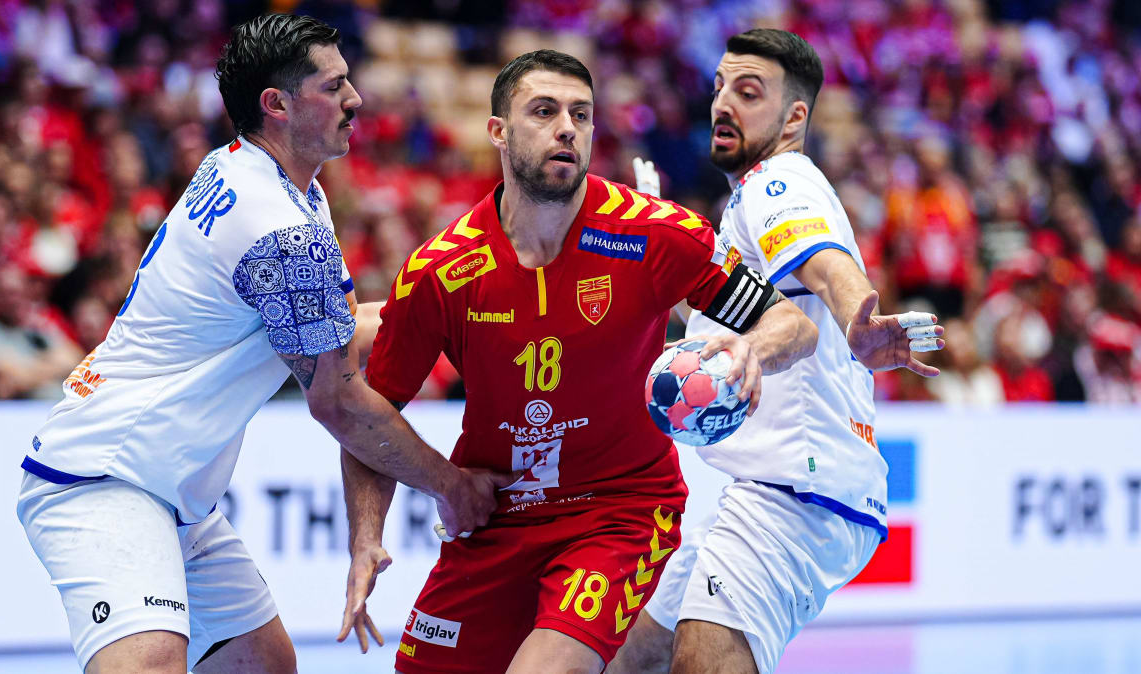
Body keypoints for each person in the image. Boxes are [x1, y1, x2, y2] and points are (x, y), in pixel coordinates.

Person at [16, 14, 506, 674]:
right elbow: (339, 401)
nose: (355, 98)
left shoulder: (259, 176)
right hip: (107, 476)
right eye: (333, 86)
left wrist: (470, 311)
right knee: (150, 662)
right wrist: (450, 485)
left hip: (172, 493)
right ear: (276, 104)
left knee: (264, 664)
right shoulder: (279, 229)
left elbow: (335, 326)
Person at [342, 49, 821, 674]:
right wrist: (365, 537)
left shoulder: (655, 234)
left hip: (621, 510)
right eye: (544, 111)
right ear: (498, 131)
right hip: (498, 518)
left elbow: (793, 324)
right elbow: (370, 415)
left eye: (581, 114)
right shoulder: (441, 271)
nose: (567, 128)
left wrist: (750, 348)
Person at [608, 29, 946, 674]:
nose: (722, 103)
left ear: (793, 119)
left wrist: (856, 316)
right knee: (625, 657)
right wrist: (660, 243)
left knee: (702, 661)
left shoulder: (777, 182)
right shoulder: (744, 203)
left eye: (748, 92)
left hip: (795, 491)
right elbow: (719, 321)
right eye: (719, 88)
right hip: (768, 487)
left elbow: (827, 264)